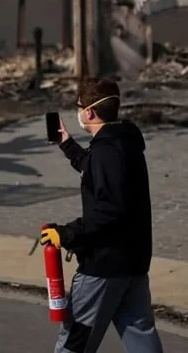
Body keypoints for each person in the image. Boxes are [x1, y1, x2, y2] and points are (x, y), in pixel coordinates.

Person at [40, 77, 163, 353]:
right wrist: (67, 144)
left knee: (75, 341)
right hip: (133, 264)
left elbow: (109, 211)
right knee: (140, 336)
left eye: (80, 107)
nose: (79, 112)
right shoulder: (123, 143)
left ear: (90, 112)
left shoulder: (106, 151)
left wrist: (67, 233)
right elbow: (94, 169)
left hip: (104, 267)